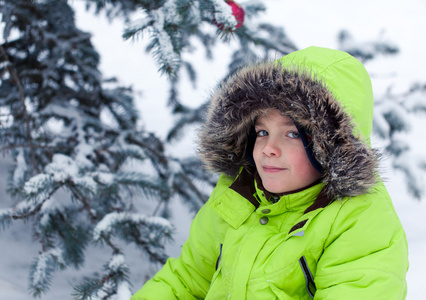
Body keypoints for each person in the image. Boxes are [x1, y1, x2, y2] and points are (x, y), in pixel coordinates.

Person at [132, 46, 408, 299]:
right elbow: (187, 280)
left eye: (291, 133)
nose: (269, 148)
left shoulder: (360, 221)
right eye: (262, 132)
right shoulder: (238, 195)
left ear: (330, 146)